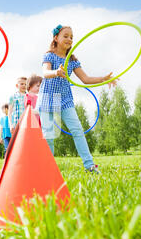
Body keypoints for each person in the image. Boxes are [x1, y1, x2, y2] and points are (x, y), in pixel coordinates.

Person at [38, 24, 117, 174]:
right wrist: (57, 72)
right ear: (56, 38)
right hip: (48, 97)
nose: (69, 39)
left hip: (65, 99)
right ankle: (48, 169)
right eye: (65, 36)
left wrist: (104, 79)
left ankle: (90, 166)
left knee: (77, 130)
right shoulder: (49, 55)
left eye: (72, 37)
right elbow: (45, 73)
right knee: (49, 135)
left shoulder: (72, 60)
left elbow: (86, 79)